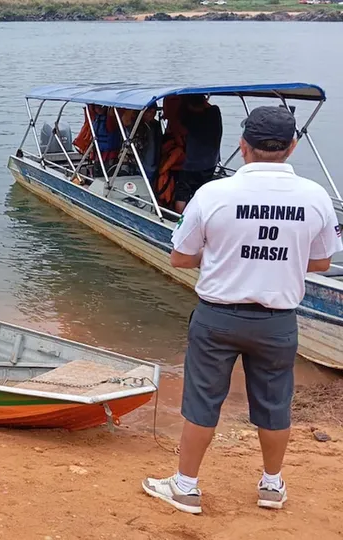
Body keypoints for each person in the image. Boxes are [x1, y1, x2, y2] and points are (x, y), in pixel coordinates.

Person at [142, 106, 343, 515]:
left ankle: (186, 487)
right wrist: (276, 260)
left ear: (242, 145)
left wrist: (228, 257)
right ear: (292, 146)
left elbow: (180, 257)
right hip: (278, 321)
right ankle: (271, 486)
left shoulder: (213, 194)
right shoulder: (315, 196)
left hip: (218, 316)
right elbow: (322, 262)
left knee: (201, 402)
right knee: (274, 405)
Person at [175, 94, 223, 213]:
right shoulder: (214, 112)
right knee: (203, 192)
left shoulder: (189, 118)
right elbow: (207, 106)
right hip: (211, 161)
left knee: (182, 193)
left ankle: (178, 219)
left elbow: (180, 130)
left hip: (192, 163)